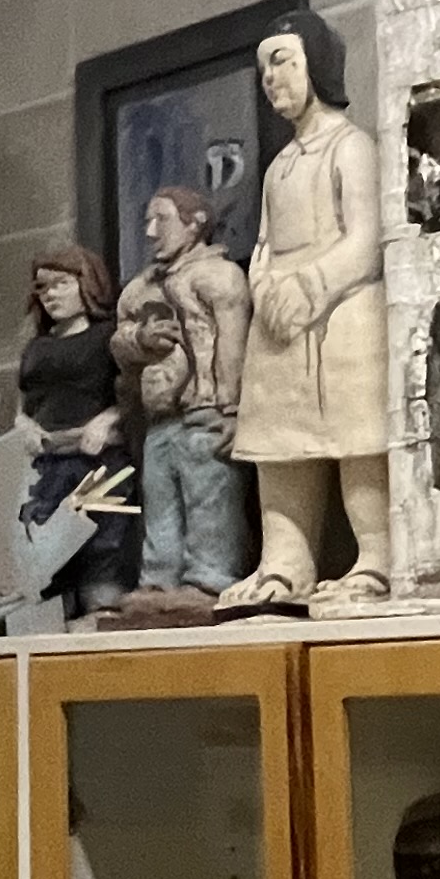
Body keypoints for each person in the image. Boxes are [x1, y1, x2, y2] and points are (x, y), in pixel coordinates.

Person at [227, 18, 391, 612]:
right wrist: (265, 283)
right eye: (265, 65)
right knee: (279, 441)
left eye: (283, 61)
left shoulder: (352, 146)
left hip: (341, 309)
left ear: (317, 66)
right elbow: (266, 242)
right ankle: (286, 564)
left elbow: (368, 238)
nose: (271, 77)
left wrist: (313, 285)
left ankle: (376, 558)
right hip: (280, 319)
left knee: (356, 437)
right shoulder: (278, 167)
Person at [110, 185, 251, 615]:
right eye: (148, 221)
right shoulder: (140, 287)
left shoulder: (218, 276)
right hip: (160, 416)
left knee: (208, 496)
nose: (151, 231)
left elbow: (234, 343)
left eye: (162, 220)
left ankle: (209, 578)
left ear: (195, 224)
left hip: (206, 410)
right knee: (161, 499)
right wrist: (140, 338)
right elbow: (118, 343)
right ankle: (158, 579)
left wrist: (233, 409)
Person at [18, 246, 134, 614]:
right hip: (48, 463)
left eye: (61, 284)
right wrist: (24, 426)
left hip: (98, 461)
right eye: (43, 288)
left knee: (102, 534)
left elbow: (132, 396)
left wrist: (108, 419)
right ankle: (54, 607)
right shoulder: (36, 348)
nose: (51, 294)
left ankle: (102, 604)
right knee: (43, 536)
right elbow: (24, 404)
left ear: (86, 285)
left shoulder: (107, 338)